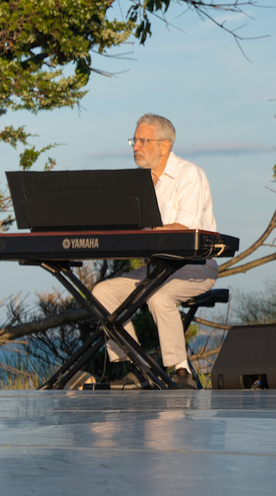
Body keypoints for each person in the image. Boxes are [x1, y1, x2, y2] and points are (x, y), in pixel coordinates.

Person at [92, 113, 218, 388]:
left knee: (159, 296)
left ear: (164, 145)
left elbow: (187, 227)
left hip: (194, 266)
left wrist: (145, 232)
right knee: (102, 292)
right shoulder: (137, 183)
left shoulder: (189, 174)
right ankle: (138, 364)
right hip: (153, 270)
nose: (135, 146)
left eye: (142, 140)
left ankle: (180, 371)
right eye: (133, 140)